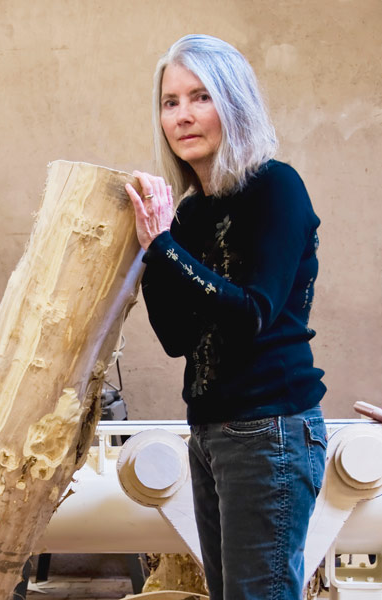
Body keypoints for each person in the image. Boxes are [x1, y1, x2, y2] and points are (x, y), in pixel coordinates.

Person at [125, 34, 327, 600]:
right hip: (210, 430)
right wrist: (154, 251)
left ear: (233, 103)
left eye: (201, 97)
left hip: (270, 429)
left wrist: (164, 249)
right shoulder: (190, 213)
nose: (183, 115)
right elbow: (176, 338)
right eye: (171, 102)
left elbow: (251, 315)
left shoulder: (275, 187)